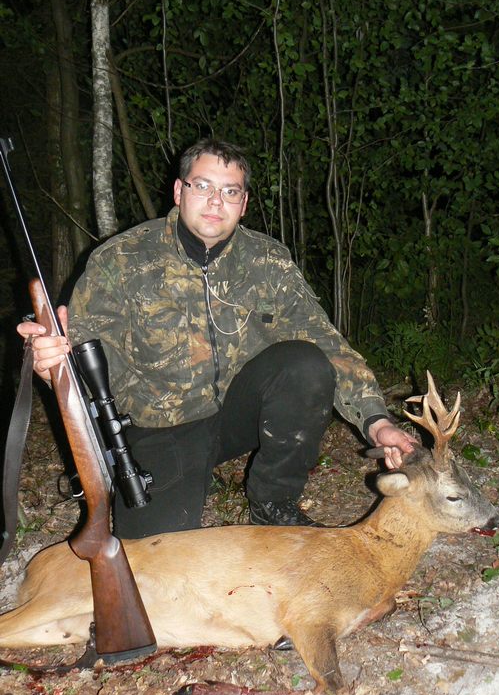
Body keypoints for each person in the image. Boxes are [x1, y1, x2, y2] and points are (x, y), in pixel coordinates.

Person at [17, 139, 416, 538]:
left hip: (236, 415)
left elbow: (325, 341)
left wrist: (376, 421)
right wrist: (53, 364)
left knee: (306, 364)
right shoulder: (121, 259)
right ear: (179, 191)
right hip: (161, 428)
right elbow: (82, 349)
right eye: (202, 186)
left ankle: (274, 502)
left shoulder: (268, 260)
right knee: (158, 553)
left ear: (244, 204)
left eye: (230, 191)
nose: (215, 202)